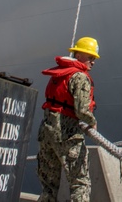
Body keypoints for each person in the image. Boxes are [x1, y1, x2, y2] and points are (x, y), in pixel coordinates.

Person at [37, 36, 100, 202]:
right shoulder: (80, 77)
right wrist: (92, 122)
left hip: (47, 131)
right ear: (78, 55)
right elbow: (82, 110)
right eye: (90, 57)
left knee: (48, 186)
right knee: (80, 183)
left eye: (94, 58)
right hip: (68, 134)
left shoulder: (59, 73)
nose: (93, 61)